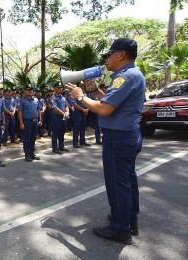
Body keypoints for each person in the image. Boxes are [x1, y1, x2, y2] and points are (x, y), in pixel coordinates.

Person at [66, 38, 145, 245]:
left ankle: (120, 229)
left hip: (118, 137)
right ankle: (129, 220)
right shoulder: (130, 75)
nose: (106, 59)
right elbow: (112, 102)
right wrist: (95, 93)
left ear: (121, 55)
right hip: (129, 134)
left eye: (109, 55)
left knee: (118, 183)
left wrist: (81, 96)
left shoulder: (124, 77)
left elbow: (104, 109)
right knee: (128, 180)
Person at [17, 84, 42, 162]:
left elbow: (38, 110)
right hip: (27, 121)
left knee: (33, 138)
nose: (30, 91)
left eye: (31, 90)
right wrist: (21, 123)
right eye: (28, 90)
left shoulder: (36, 99)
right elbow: (20, 112)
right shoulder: (22, 100)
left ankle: (32, 153)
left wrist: (40, 119)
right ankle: (27, 154)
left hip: (35, 121)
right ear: (24, 91)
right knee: (27, 138)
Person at [51, 82, 70, 155]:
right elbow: (55, 108)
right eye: (58, 88)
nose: (60, 89)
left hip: (63, 117)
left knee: (62, 132)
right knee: (55, 133)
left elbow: (66, 106)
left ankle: (61, 146)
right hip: (56, 117)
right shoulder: (53, 98)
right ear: (54, 89)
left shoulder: (63, 97)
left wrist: (67, 113)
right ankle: (55, 148)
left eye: (61, 87)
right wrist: (64, 114)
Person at [72, 81, 91, 148]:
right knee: (76, 128)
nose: (83, 86)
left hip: (85, 112)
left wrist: (87, 109)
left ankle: (82, 141)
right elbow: (74, 104)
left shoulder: (84, 93)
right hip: (78, 112)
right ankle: (75, 143)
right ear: (78, 86)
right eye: (81, 85)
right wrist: (83, 109)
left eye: (83, 85)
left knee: (83, 127)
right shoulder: (74, 94)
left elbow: (88, 102)